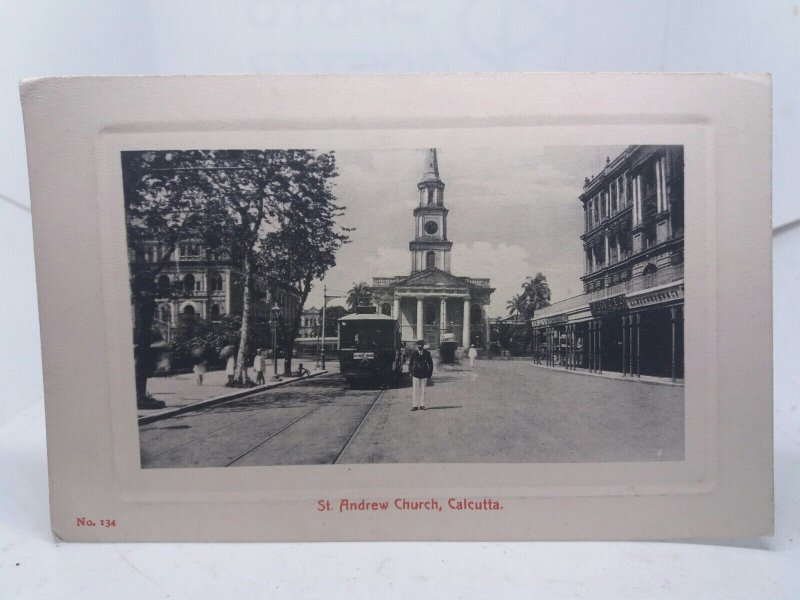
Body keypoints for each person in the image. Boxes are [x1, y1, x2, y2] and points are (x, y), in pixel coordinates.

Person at [408, 339, 433, 411]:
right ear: (417, 346)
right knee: (415, 390)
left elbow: (430, 364)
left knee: (423, 390)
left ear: (423, 346)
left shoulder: (427, 353)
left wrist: (429, 374)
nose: (420, 347)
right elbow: (410, 364)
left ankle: (422, 405)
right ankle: (415, 406)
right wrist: (410, 372)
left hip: (424, 373)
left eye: (421, 345)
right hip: (415, 373)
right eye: (418, 345)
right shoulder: (413, 353)